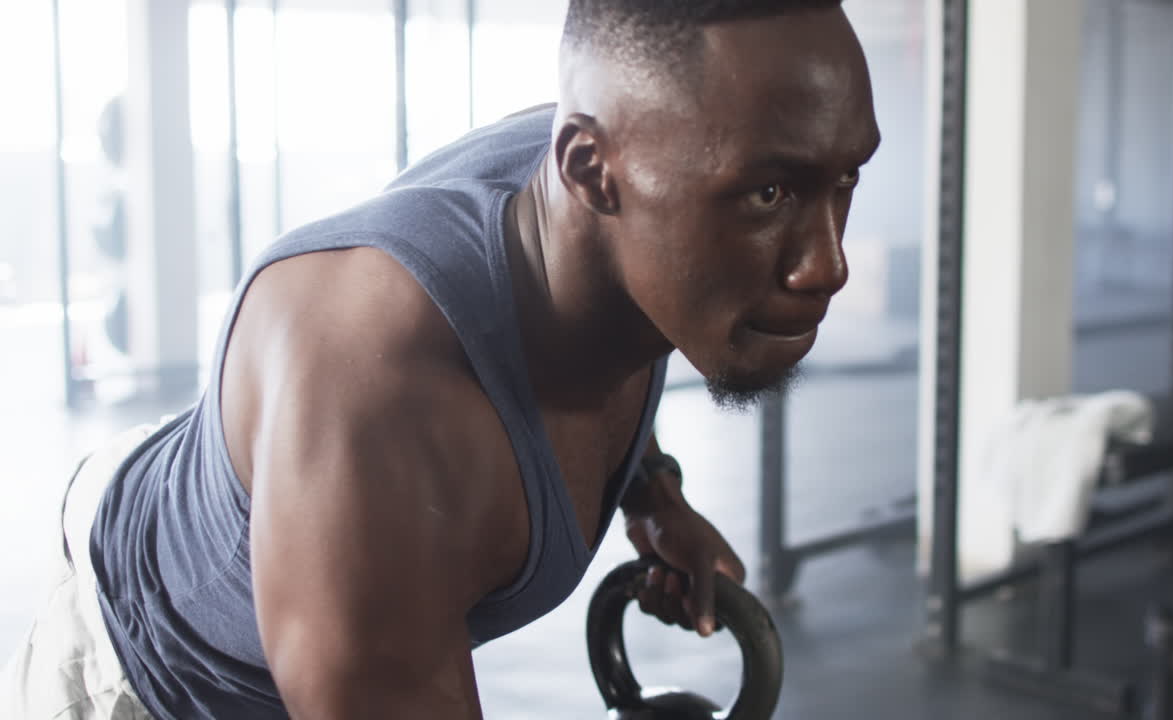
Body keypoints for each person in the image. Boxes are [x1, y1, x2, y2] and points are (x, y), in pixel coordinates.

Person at [2, 0, 879, 717]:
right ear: (589, 172)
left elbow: (611, 333)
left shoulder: (620, 194)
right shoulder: (380, 413)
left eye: (844, 179)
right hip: (137, 672)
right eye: (768, 193)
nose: (827, 265)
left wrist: (656, 495)